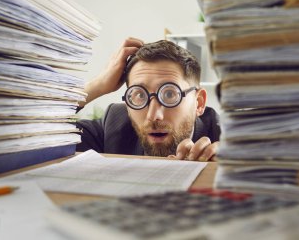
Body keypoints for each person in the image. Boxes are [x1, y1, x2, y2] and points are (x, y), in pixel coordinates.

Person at [76, 38, 220, 161]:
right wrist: (97, 86)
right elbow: (53, 140)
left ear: (199, 103)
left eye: (169, 94)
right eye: (139, 95)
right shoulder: (114, 123)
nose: (154, 116)